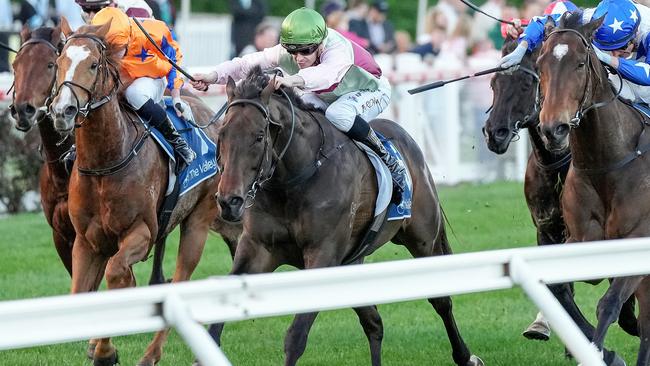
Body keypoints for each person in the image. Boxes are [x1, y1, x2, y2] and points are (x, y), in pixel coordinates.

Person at [190, 7, 407, 193]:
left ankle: (387, 156)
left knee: (338, 114)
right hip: (330, 93)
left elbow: (327, 75)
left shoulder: (336, 48)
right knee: (301, 114)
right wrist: (212, 76)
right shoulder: (290, 50)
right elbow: (245, 64)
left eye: (305, 51)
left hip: (370, 90)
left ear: (320, 43)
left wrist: (292, 80)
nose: (299, 58)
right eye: (292, 51)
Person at [74, 1, 196, 165]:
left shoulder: (151, 28)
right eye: (86, 10)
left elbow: (175, 58)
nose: (115, 55)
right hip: (123, 76)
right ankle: (77, 146)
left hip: (150, 75)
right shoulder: (98, 26)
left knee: (134, 94)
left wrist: (176, 96)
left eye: (118, 49)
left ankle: (178, 143)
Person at [499, 0, 650, 104]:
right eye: (608, 50)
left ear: (634, 34)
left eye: (620, 49)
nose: (614, 54)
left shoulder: (647, 28)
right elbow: (542, 21)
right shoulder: (591, 17)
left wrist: (607, 58)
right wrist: (522, 48)